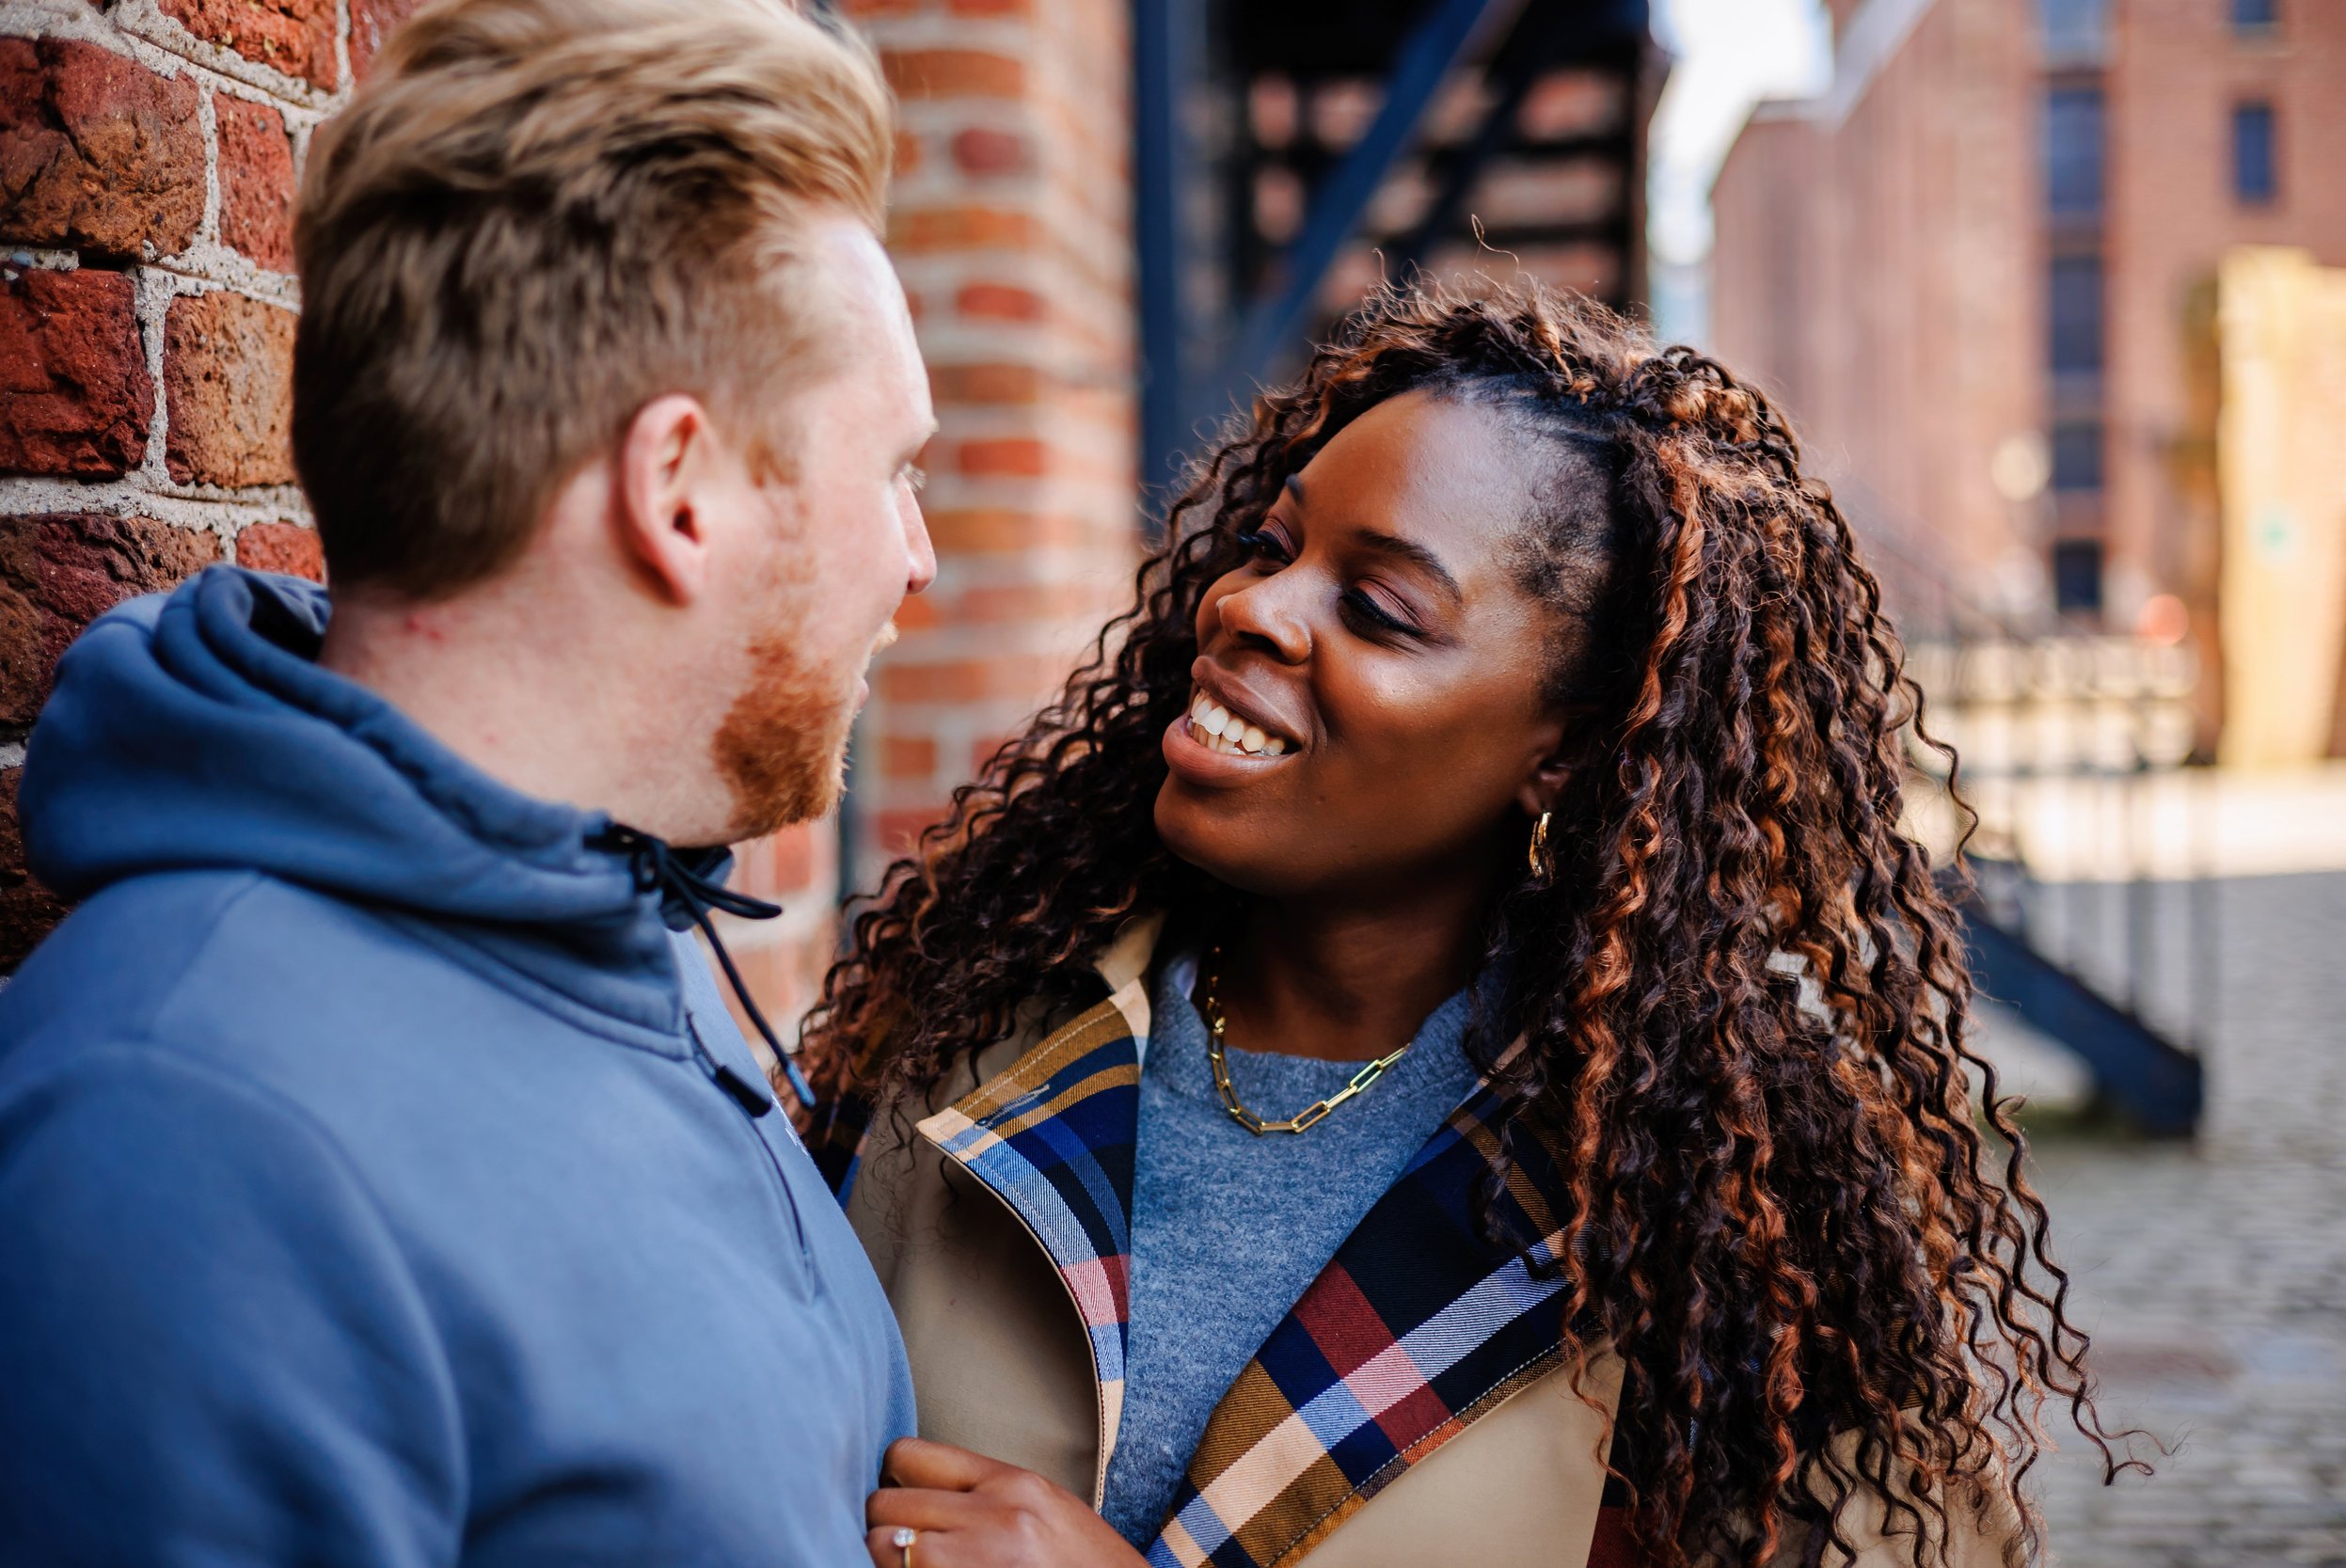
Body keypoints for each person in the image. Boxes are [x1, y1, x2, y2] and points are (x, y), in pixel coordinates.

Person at [806, 281, 2140, 1568]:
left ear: (1561, 755)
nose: (1250, 609)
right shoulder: (974, 1054)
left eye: (1379, 611)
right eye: (1272, 545)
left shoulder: (1691, 1208)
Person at [0, 0, 936, 1561]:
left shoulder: (617, 938)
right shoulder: (177, 1146)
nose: (916, 562)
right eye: (895, 469)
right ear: (681, 490)